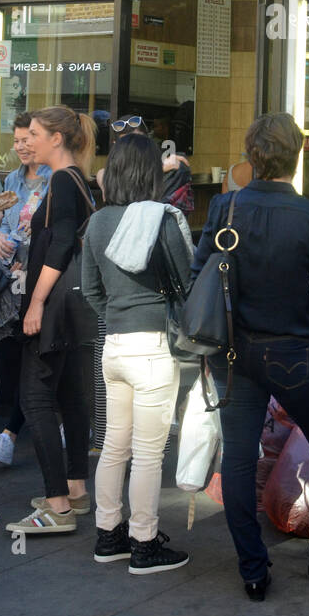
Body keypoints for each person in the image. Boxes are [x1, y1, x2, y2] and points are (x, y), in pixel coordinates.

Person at [193, 112, 309, 600]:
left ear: (251, 157)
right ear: (296, 158)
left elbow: (201, 275)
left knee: (237, 456)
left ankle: (253, 567)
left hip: (232, 354)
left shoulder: (224, 209)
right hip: (291, 352)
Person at [81, 134, 194, 574]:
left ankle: (108, 536)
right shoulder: (162, 218)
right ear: (151, 172)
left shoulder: (97, 221)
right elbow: (186, 284)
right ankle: (144, 543)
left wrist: (117, 313)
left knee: (114, 445)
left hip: (114, 346)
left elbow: (91, 290)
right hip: (153, 348)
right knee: (148, 454)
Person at [5, 106, 96, 537]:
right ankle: (75, 488)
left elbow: (59, 245)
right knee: (72, 395)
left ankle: (58, 504)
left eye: (37, 133)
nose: (29, 140)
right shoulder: (80, 179)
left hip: (56, 305)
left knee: (35, 397)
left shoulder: (62, 179)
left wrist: (37, 302)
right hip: (77, 307)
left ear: (56, 138)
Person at [0, 113, 51, 466]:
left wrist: (29, 253)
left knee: (33, 351)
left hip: (44, 278)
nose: (22, 146)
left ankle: (11, 432)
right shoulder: (10, 179)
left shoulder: (56, 179)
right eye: (18, 139)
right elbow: (6, 227)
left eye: (29, 138)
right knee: (13, 350)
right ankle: (9, 430)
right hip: (13, 280)